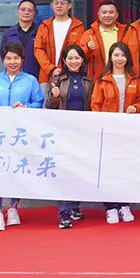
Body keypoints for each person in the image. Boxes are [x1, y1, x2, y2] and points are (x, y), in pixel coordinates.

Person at [0, 42, 44, 232]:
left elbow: (39, 103)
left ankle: (14, 207)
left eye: (16, 58)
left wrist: (26, 107)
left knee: (17, 168)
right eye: (8, 58)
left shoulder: (30, 80)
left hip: (20, 133)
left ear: (22, 60)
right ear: (3, 60)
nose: (12, 62)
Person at [91, 42, 140, 225]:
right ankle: (110, 207)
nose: (119, 59)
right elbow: (96, 106)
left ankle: (124, 205)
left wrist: (135, 107)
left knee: (125, 168)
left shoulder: (134, 80)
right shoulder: (102, 80)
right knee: (108, 169)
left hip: (127, 131)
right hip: (108, 131)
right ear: (110, 58)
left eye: (123, 55)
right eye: (116, 55)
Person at [44, 44, 93, 228]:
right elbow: (48, 106)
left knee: (78, 169)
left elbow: (91, 106)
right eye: (70, 58)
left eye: (77, 58)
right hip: (62, 131)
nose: (74, 61)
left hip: (82, 131)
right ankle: (63, 212)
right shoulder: (57, 80)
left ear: (83, 60)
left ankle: (74, 207)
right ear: (64, 61)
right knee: (63, 170)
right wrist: (54, 96)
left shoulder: (88, 82)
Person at [33, 0, 85, 92]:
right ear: (51, 6)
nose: (59, 6)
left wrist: (66, 69)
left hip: (71, 75)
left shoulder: (78, 26)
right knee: (46, 100)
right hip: (47, 75)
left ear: (69, 5)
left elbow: (80, 51)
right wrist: (51, 69)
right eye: (56, 3)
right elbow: (38, 50)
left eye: (62, 3)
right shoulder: (44, 26)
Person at [78, 0, 129, 83]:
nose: (107, 15)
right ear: (98, 14)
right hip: (97, 79)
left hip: (121, 77)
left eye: (111, 12)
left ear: (117, 15)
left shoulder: (126, 32)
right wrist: (88, 48)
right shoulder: (89, 34)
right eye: (104, 12)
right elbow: (80, 58)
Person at [0, 0, 40, 85]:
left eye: (30, 10)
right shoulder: (8, 33)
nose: (26, 12)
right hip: (13, 77)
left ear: (34, 13)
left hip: (37, 77)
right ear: (18, 12)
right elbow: (3, 55)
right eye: (23, 9)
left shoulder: (41, 32)